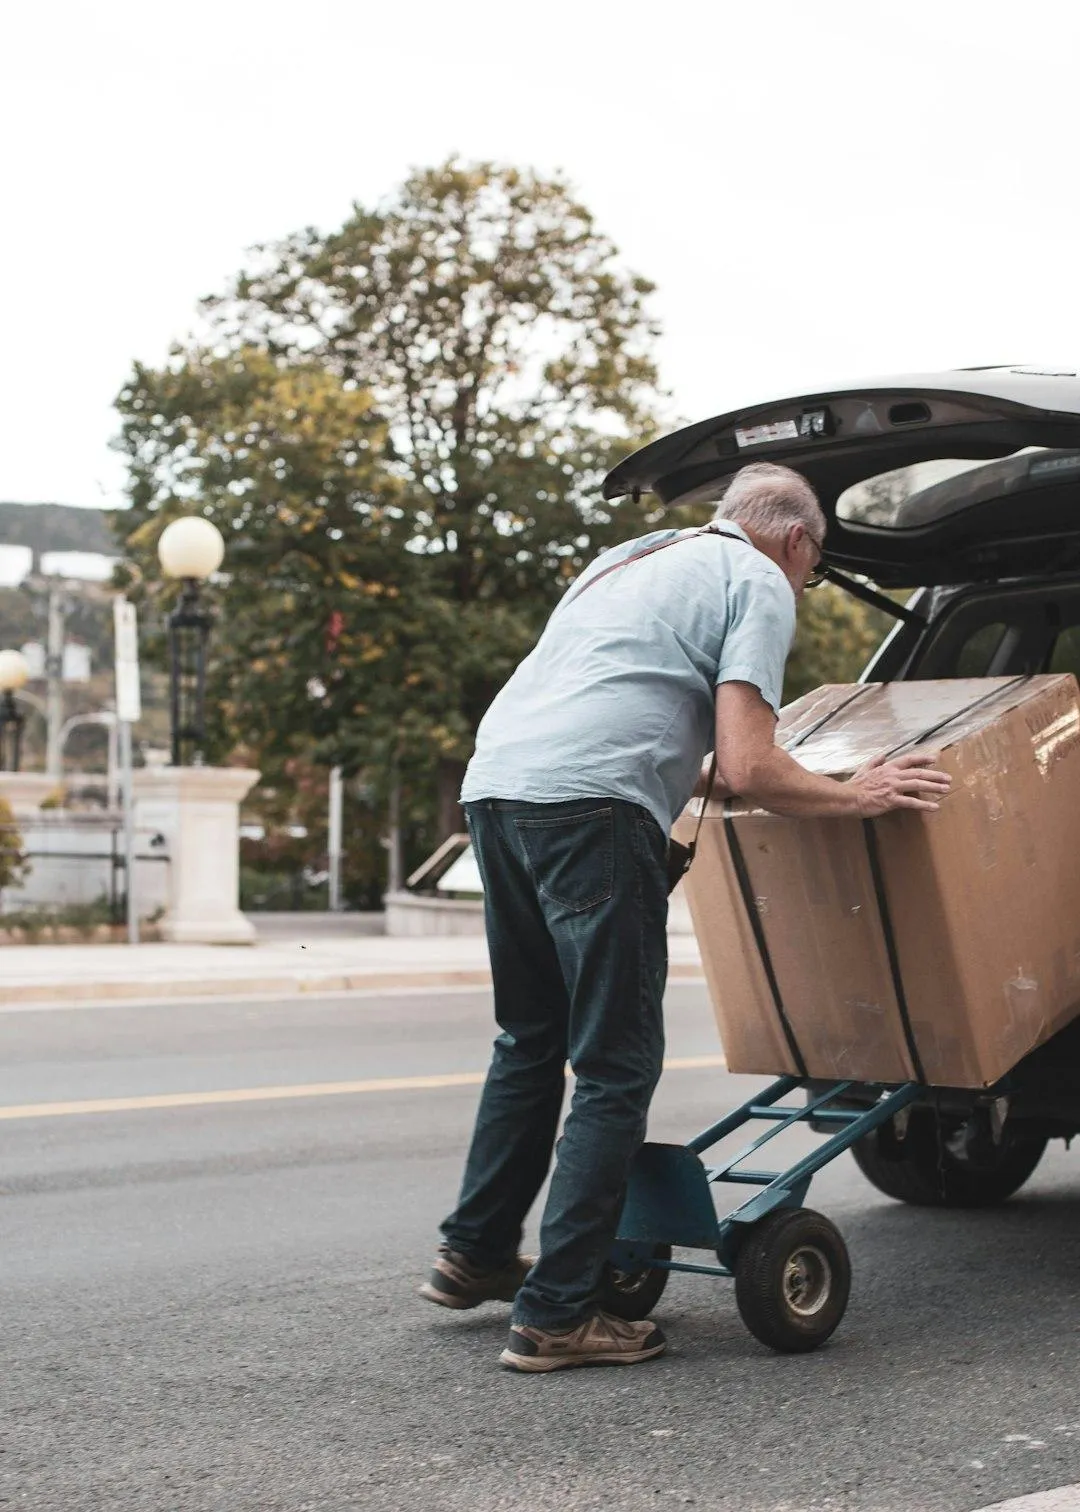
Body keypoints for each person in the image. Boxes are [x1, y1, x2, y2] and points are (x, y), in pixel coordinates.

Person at [419, 461, 951, 1373]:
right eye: (814, 570)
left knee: (531, 1038)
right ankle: (557, 1316)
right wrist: (854, 794)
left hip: (499, 793)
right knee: (617, 1064)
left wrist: (736, 778)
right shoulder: (758, 579)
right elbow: (750, 764)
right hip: (590, 811)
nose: (806, 586)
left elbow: (639, 723)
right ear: (797, 541)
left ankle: (473, 1253)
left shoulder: (632, 559)